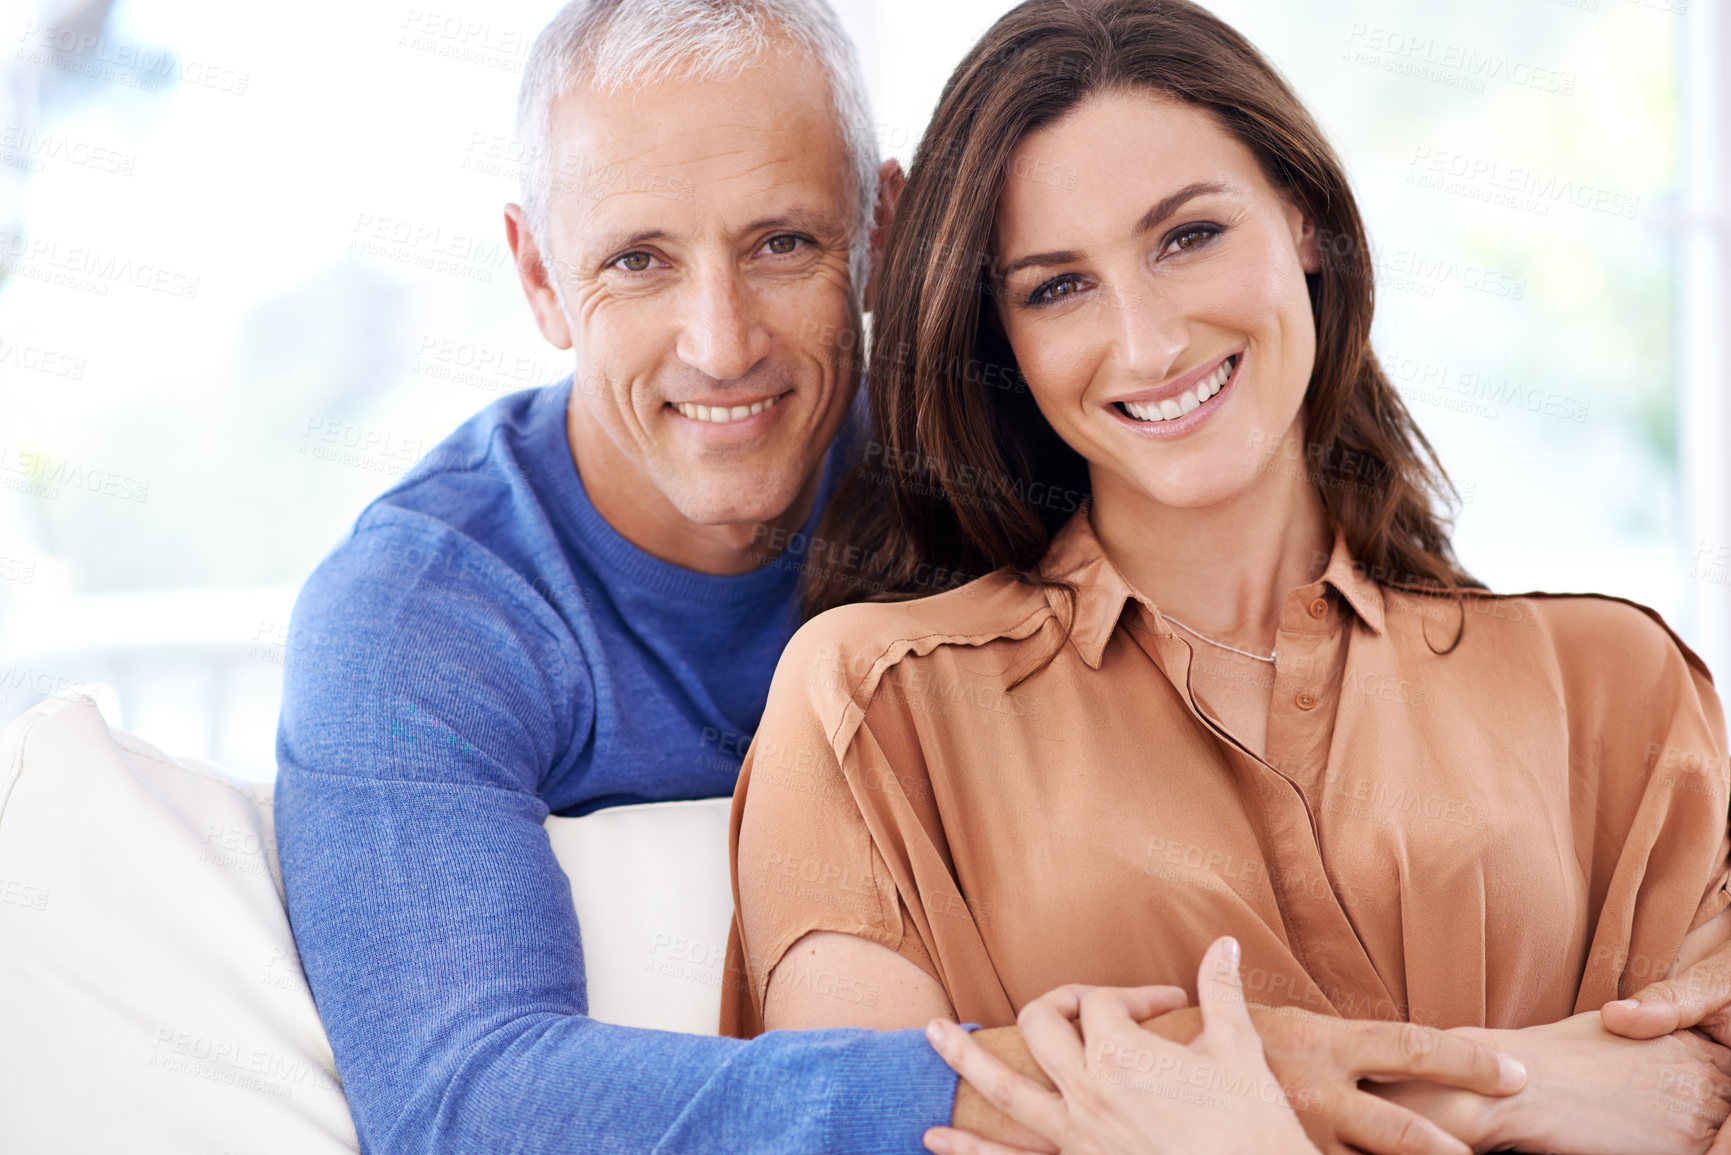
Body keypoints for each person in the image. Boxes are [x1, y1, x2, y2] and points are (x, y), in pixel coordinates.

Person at [275, 2, 1512, 1151]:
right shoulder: (420, 614)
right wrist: (1127, 1083)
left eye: (781, 243)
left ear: (882, 230)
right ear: (541, 275)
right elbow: (465, 1101)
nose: (722, 344)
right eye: (638, 262)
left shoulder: (1017, 448)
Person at [720, 2, 1731, 1153]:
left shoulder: (1617, 688)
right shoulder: (874, 710)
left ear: (1302, 214)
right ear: (999, 335)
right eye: (1058, 287)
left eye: (1188, 236)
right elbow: (859, 1128)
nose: (1148, 344)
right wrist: (1492, 1093)